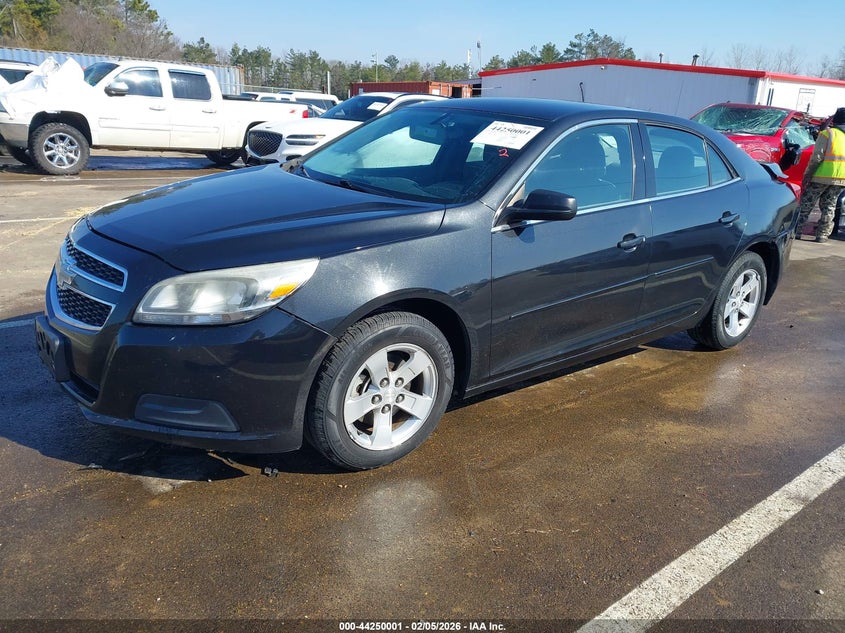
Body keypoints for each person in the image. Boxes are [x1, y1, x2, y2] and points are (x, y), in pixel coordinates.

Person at [795, 107, 845, 242]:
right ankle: (822, 235)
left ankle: (797, 231)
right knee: (830, 206)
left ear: (835, 120)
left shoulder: (828, 134)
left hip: (821, 177)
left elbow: (817, 157)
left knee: (807, 203)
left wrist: (807, 175)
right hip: (841, 179)